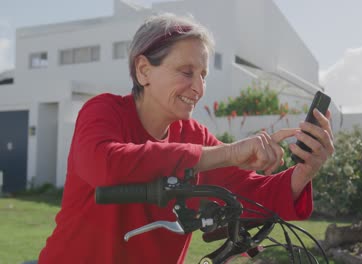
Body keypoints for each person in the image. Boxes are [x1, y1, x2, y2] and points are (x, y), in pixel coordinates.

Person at [38, 13, 334, 264]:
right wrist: (228, 153)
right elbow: (107, 165)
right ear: (144, 71)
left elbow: (248, 192)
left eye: (203, 75)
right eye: (186, 72)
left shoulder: (193, 135)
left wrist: (304, 172)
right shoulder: (103, 111)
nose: (198, 87)